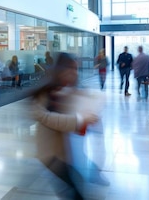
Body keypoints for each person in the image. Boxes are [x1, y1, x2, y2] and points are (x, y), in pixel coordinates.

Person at [31, 52, 101, 200]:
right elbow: (45, 117)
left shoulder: (66, 89)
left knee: (75, 187)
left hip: (64, 153)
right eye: (71, 68)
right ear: (61, 69)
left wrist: (88, 111)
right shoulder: (47, 92)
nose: (74, 73)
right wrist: (79, 119)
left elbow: (75, 114)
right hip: (51, 154)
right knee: (74, 192)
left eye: (76, 69)